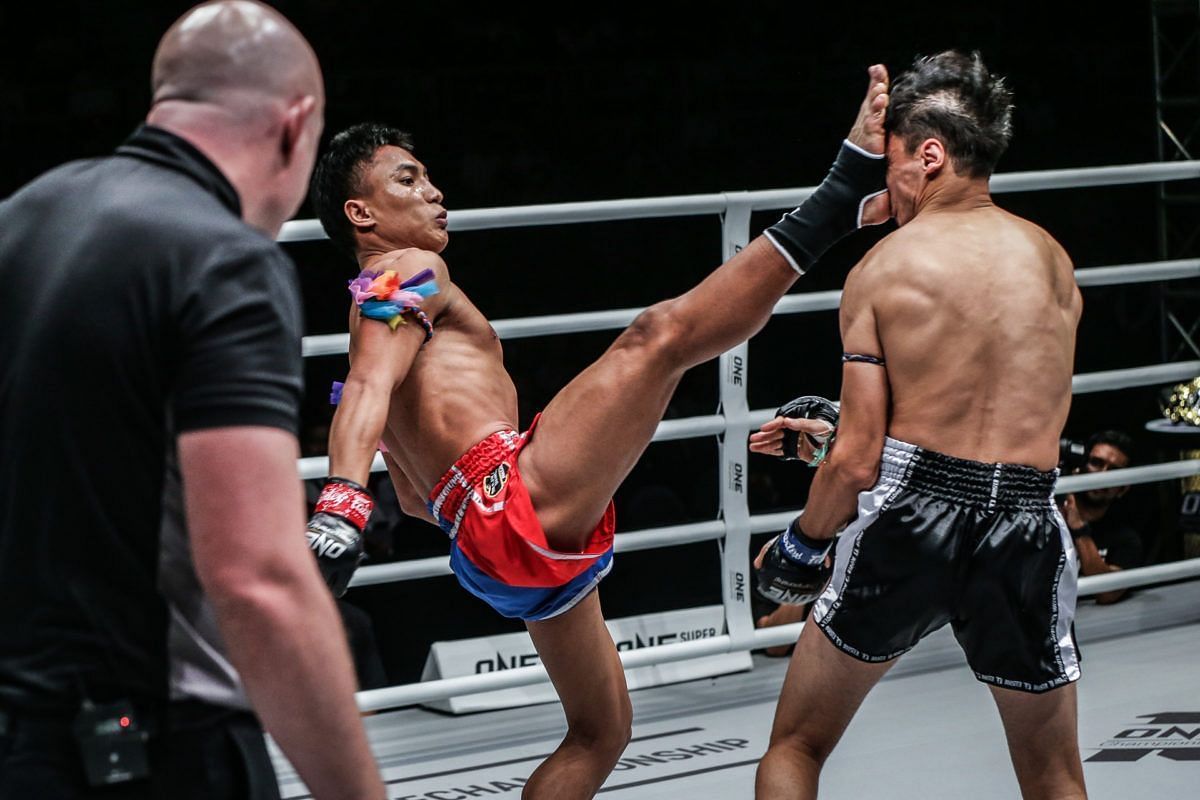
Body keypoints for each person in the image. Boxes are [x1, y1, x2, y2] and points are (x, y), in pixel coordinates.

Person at [306, 66, 893, 798]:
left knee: (601, 732)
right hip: (507, 506)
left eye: (427, 178)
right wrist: (340, 505)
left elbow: (418, 494)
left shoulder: (372, 313)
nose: (433, 191)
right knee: (659, 336)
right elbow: (365, 390)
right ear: (361, 214)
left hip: (485, 544)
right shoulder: (409, 269)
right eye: (407, 180)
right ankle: (839, 199)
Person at [0, 3, 384, 798]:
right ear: (296, 124)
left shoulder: (22, 217)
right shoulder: (223, 260)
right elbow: (258, 579)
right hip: (153, 747)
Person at [750, 51, 1087, 799]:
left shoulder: (887, 267)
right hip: (1028, 521)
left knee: (796, 747)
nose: (888, 186)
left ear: (929, 155)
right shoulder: (1055, 262)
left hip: (915, 519)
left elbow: (860, 461)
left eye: (893, 163)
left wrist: (801, 548)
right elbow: (993, 407)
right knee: (1055, 775)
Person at [1060, 430, 1143, 603]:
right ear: (1078, 469)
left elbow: (1108, 593)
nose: (1102, 475)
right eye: (1096, 463)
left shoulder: (1125, 538)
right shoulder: (1047, 518)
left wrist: (1079, 529)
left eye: (1113, 470)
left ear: (1122, 489)